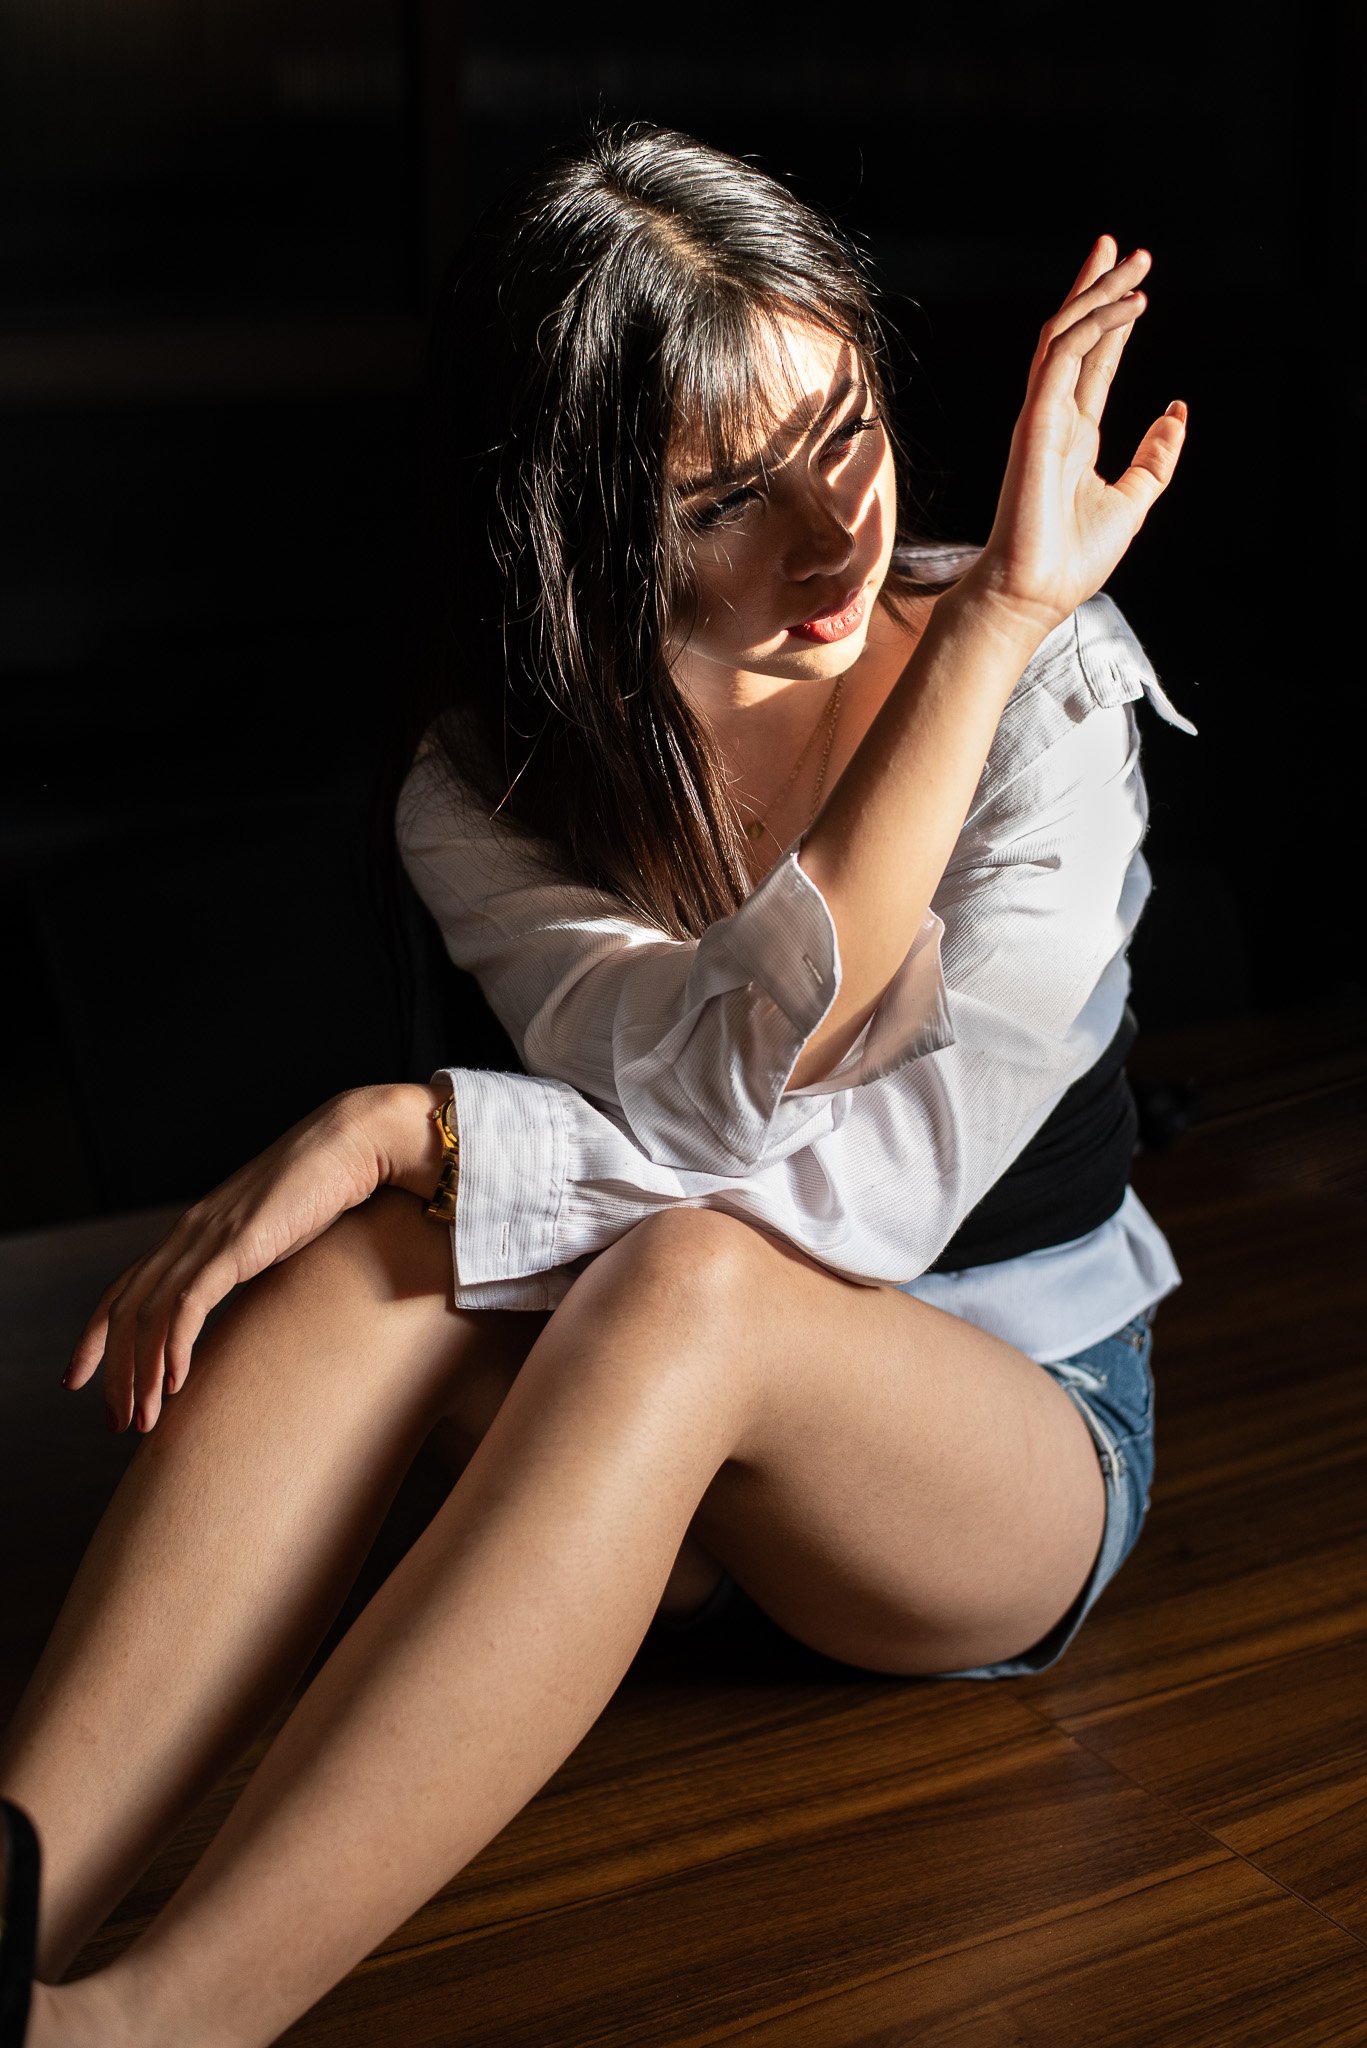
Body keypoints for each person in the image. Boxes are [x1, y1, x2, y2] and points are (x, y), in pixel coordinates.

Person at [0, 120, 1191, 2047]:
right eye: (725, 498)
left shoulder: (1051, 681)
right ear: (573, 524)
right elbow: (713, 1109)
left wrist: (425, 1126)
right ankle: (17, 1882)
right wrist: (437, 1178)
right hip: (649, 1386)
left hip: (1006, 1437)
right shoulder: (487, 791)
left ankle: (150, 2028)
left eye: (849, 437)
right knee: (366, 1277)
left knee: (673, 1278)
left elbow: (857, 1203)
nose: (830, 540)